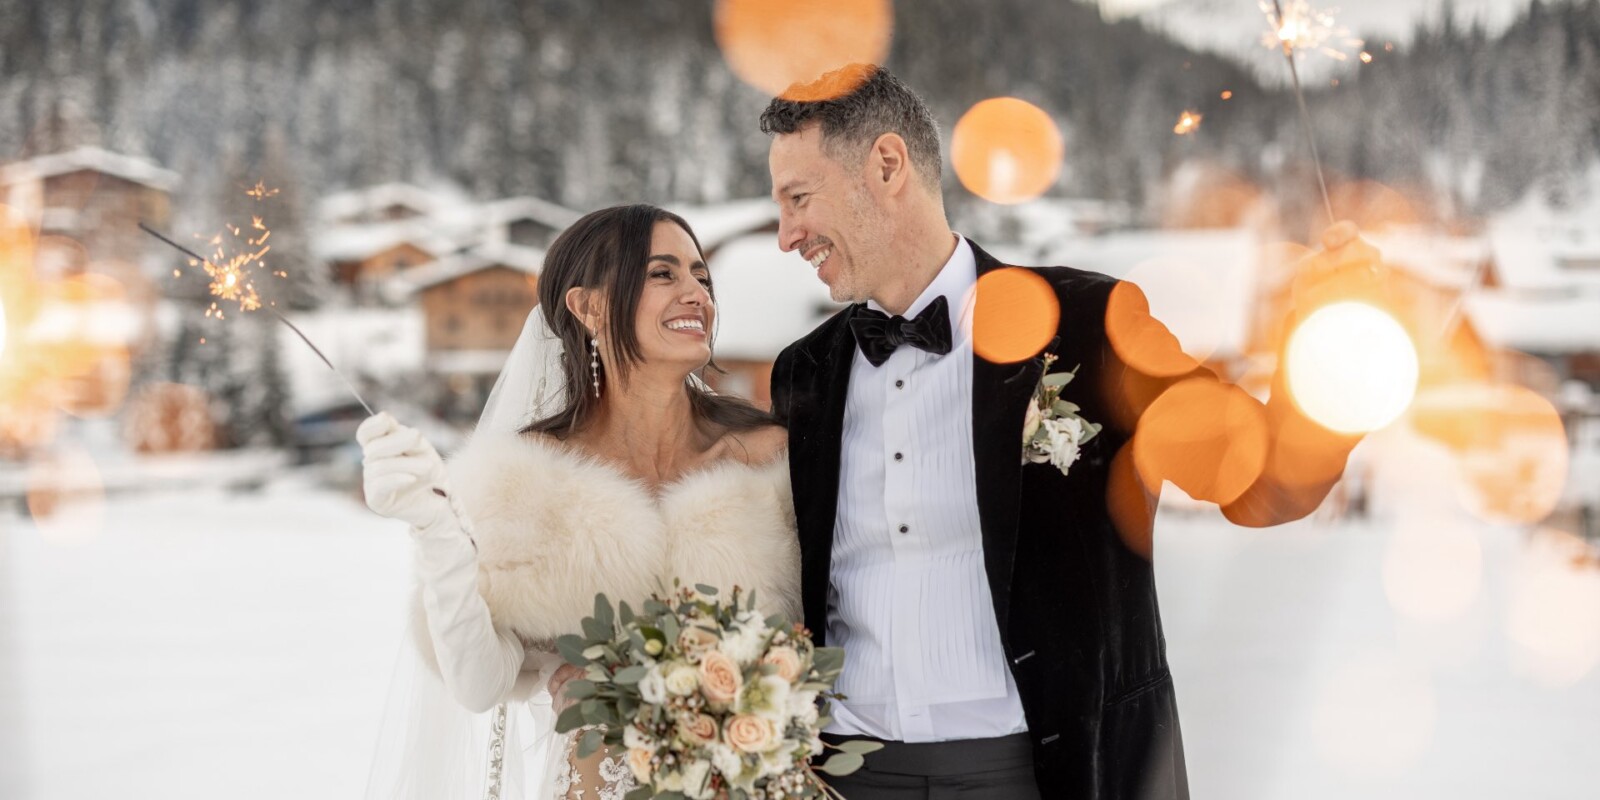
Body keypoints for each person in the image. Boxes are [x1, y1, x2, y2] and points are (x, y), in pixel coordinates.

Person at [762, 65, 1373, 799]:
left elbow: (1260, 481)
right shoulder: (805, 372)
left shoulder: (1092, 325)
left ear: (888, 166)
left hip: (1051, 774)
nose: (786, 235)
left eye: (799, 199)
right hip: (844, 781)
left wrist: (1336, 353)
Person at [359, 204, 798, 799]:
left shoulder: (771, 462)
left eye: (702, 276)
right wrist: (437, 534)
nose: (696, 292)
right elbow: (479, 682)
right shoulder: (528, 479)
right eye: (663, 274)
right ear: (588, 307)